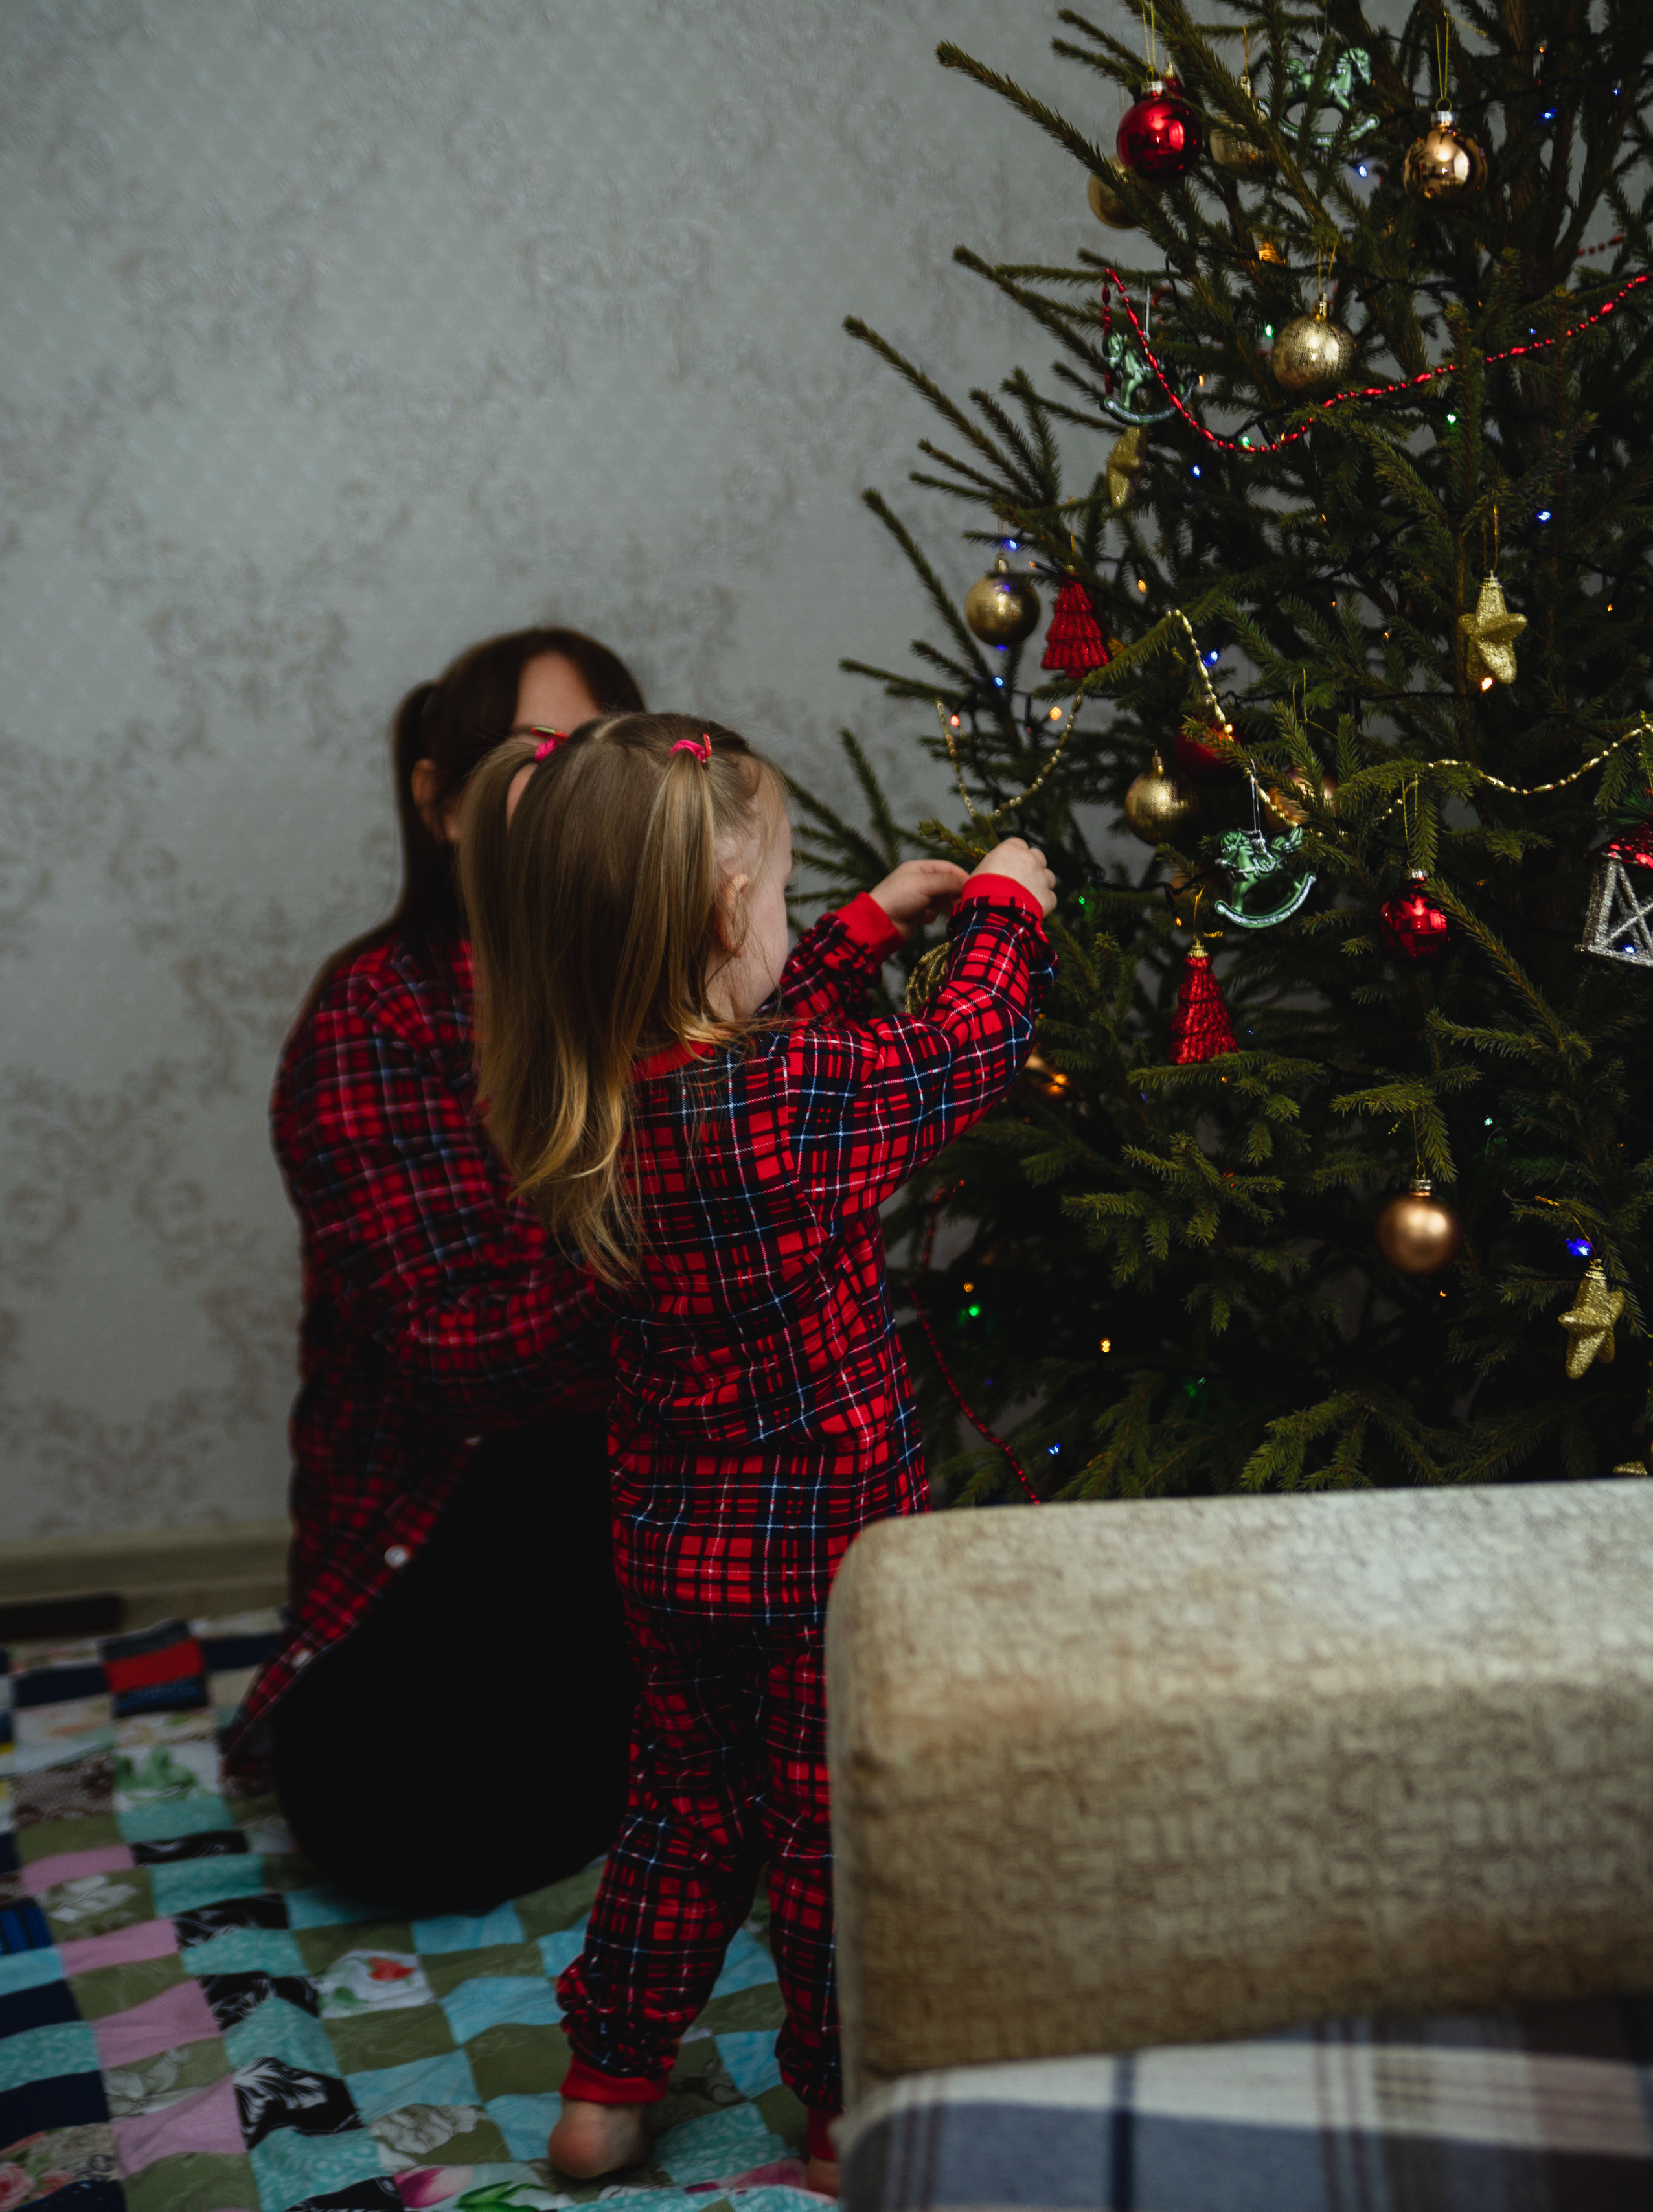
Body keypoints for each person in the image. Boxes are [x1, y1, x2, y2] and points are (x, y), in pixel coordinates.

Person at [458, 709, 1056, 2187]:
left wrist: (856, 925)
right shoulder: (792, 1104)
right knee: (826, 1833)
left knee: (681, 1802)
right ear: (728, 912)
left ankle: (604, 2084)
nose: (793, 923)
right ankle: (846, 2105)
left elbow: (760, 1026)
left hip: (673, 1546)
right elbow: (959, 1050)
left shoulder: (584, 1099)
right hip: (824, 1558)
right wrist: (1003, 907)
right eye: (782, 898)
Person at [225, 626, 647, 1915]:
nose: (572, 795)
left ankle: (688, 1757)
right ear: (438, 801)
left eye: (599, 763)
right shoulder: (380, 1017)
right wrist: (682, 1250)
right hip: (466, 1520)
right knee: (386, 1815)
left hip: (666, 1505)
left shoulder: (668, 984)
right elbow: (461, 1358)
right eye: (532, 763)